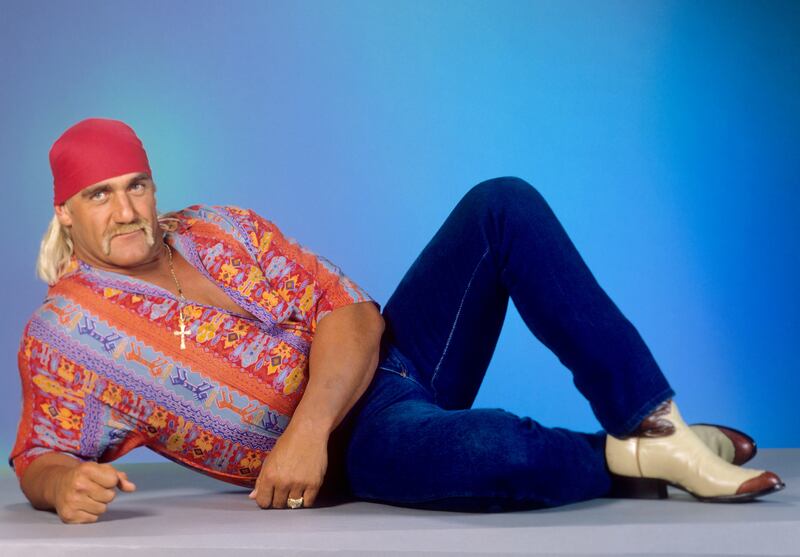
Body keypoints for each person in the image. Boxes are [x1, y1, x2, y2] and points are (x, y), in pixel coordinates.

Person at [9, 118, 783, 524]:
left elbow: (350, 313)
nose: (127, 210)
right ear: (66, 214)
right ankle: (636, 460)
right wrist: (63, 484)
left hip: (395, 360)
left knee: (500, 203)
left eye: (136, 185)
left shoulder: (218, 225)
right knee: (497, 452)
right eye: (100, 195)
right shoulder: (67, 333)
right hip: (361, 447)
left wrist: (304, 430)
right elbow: (36, 454)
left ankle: (653, 419)